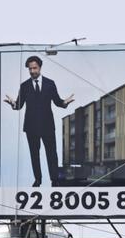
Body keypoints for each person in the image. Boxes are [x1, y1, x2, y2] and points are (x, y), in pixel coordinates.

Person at [4, 56, 75, 187]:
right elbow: (19, 105)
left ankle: (55, 180)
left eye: (34, 68)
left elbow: (58, 102)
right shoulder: (24, 86)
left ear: (40, 67)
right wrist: (13, 104)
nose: (32, 71)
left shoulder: (50, 83)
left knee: (52, 154)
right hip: (31, 127)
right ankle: (38, 180)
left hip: (47, 126)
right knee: (34, 154)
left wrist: (65, 102)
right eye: (30, 69)